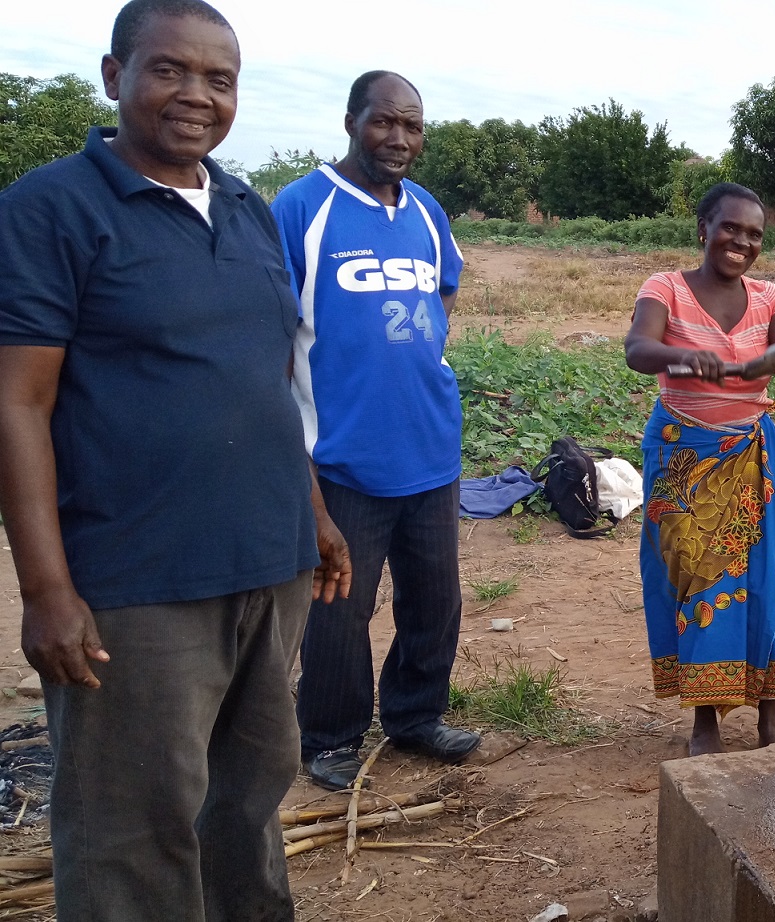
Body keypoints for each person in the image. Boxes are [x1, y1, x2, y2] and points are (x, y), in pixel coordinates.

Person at [0, 1, 351, 918]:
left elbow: (267, 379)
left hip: (269, 567)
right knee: (133, 833)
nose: (196, 95)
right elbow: (17, 401)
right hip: (138, 583)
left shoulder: (245, 207)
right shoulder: (52, 208)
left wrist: (311, 515)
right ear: (116, 76)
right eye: (169, 70)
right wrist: (45, 590)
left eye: (219, 78)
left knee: (247, 805)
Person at [272, 71, 479, 790]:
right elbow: (272, 337)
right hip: (340, 456)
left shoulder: (426, 211)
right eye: (383, 122)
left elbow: (443, 287)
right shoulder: (303, 209)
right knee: (339, 607)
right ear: (351, 120)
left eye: (412, 126)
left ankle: (416, 718)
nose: (398, 138)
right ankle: (329, 735)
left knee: (435, 598)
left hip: (429, 448)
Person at [624, 182, 775, 755]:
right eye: (731, 228)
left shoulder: (773, 298)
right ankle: (706, 719)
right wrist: (680, 355)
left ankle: (768, 709)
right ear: (703, 229)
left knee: (761, 579)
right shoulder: (665, 289)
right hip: (680, 454)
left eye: (754, 234)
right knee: (697, 582)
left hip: (750, 451)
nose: (742, 241)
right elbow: (637, 349)